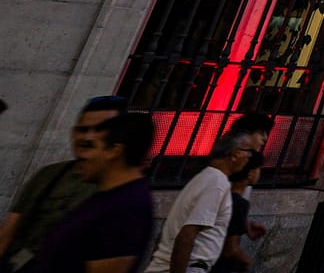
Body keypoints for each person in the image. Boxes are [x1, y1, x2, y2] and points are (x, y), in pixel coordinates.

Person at [1, 96, 128, 272]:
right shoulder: (50, 174)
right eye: (83, 129)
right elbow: (9, 230)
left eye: (100, 130)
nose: (88, 137)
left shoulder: (121, 190)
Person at [20, 112, 156, 273]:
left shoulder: (127, 208)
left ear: (114, 151)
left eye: (91, 146)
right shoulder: (108, 198)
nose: (82, 155)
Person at [143, 128, 261, 273]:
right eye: (248, 152)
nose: (249, 157)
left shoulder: (209, 178)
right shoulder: (216, 183)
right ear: (235, 154)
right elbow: (187, 235)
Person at [212, 152, 266, 273]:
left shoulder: (223, 194)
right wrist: (246, 260)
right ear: (250, 174)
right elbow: (230, 249)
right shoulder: (239, 203)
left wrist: (244, 225)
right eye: (258, 169)